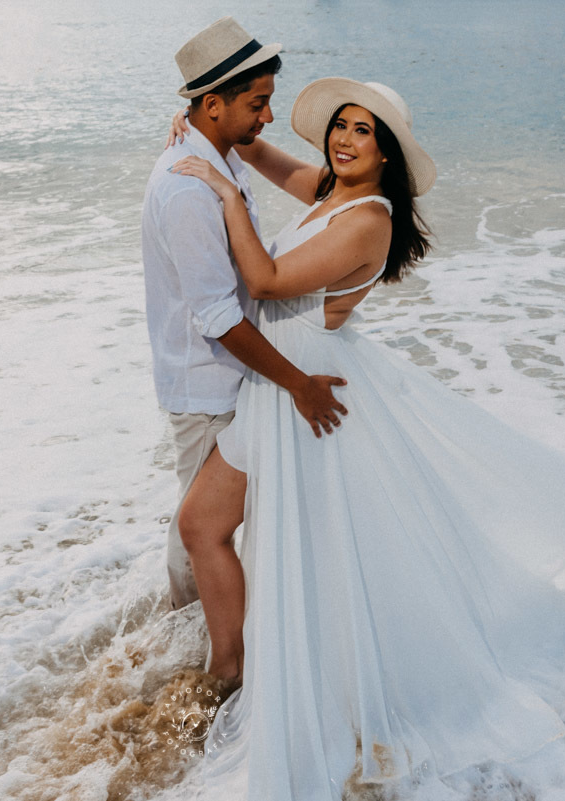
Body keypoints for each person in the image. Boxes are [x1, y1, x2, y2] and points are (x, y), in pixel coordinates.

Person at [170, 78, 565, 798]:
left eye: (364, 133)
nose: (345, 140)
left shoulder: (368, 220)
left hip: (306, 392)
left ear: (387, 154)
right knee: (207, 525)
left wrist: (225, 197)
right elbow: (264, 153)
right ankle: (232, 668)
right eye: (342, 127)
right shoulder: (330, 191)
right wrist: (209, 134)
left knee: (315, 549)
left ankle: (277, 674)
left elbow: (262, 282)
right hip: (284, 385)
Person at [142, 17, 348, 618]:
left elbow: (259, 150)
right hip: (210, 382)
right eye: (258, 103)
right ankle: (188, 636)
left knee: (208, 522)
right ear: (213, 104)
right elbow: (217, 316)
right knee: (200, 528)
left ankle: (207, 630)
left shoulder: (216, 157)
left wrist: (198, 126)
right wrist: (299, 385)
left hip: (234, 376)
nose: (267, 117)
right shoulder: (189, 188)